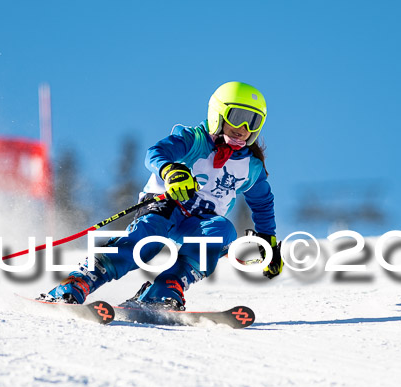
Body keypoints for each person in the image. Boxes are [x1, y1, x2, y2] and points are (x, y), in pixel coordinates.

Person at [42, 81, 282, 309]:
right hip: (166, 206)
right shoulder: (194, 139)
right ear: (218, 114)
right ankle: (81, 281)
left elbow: (262, 203)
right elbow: (155, 153)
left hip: (199, 222)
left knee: (222, 231)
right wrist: (171, 171)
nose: (244, 129)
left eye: (254, 121)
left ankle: (164, 289)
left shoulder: (251, 167)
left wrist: (268, 241)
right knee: (148, 242)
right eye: (238, 118)